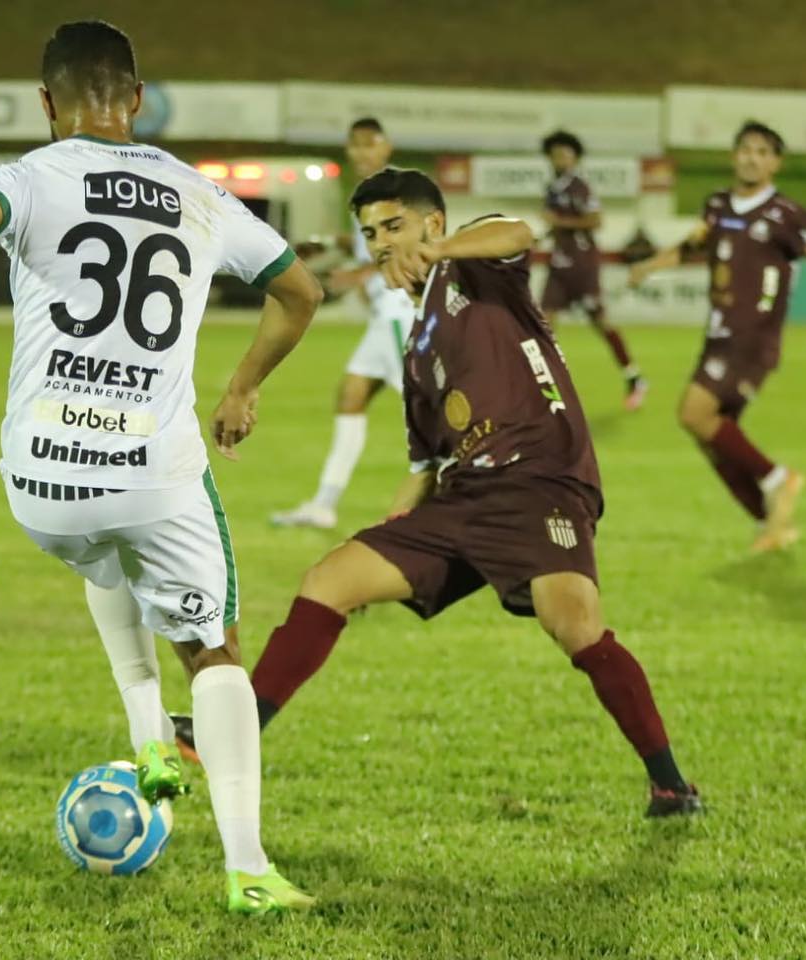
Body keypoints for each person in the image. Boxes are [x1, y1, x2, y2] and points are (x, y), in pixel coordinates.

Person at [0, 20, 322, 914]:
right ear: (136, 100)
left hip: (41, 483)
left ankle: (147, 739)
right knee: (214, 650)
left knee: (101, 547)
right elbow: (301, 292)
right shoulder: (199, 193)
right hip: (153, 471)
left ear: (46, 103)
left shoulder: (25, 178)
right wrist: (243, 385)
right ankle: (249, 868)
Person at [238, 167, 701, 818]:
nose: (381, 243)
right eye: (371, 233)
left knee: (574, 625)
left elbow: (517, 230)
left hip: (538, 480)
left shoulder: (480, 267)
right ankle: (232, 737)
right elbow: (428, 465)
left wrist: (440, 250)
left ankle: (671, 786)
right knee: (330, 580)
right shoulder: (418, 346)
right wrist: (392, 532)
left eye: (394, 226)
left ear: (433, 223)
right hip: (462, 499)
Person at [629, 120, 806, 552]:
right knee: (712, 438)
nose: (752, 158)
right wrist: (649, 265)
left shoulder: (787, 214)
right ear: (734, 156)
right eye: (746, 149)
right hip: (718, 335)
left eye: (763, 152)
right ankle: (773, 524)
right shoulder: (717, 205)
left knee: (694, 414)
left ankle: (778, 479)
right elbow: (693, 247)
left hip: (752, 339)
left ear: (776, 163)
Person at [271, 117, 417, 530]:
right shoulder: (365, 196)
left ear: (386, 147)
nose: (362, 152)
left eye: (370, 144)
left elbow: (406, 245)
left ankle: (479, 492)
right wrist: (325, 243)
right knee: (350, 397)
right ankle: (324, 503)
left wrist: (361, 275)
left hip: (398, 312)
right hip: (382, 316)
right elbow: (364, 243)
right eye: (355, 145)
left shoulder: (396, 191)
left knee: (425, 415)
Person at [539, 129, 647, 410]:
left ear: (574, 158)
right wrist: (540, 236)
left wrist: (559, 222)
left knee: (601, 322)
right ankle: (545, 389)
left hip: (582, 265)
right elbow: (557, 224)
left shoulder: (580, 186)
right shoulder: (553, 188)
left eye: (565, 153)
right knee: (544, 324)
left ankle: (634, 377)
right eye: (555, 153)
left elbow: (595, 221)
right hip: (559, 263)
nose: (560, 158)